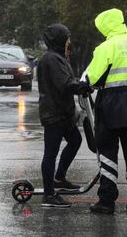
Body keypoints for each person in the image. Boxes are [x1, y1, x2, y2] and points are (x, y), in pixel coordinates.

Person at [86, 9, 127, 214]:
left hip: (111, 104)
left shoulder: (106, 47)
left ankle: (106, 201)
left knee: (107, 152)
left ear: (106, 26)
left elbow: (93, 78)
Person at [37, 24, 93, 208]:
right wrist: (82, 86)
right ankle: (49, 195)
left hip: (63, 113)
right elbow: (64, 84)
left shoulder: (58, 57)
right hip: (54, 114)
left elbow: (67, 81)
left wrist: (81, 84)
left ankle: (59, 179)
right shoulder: (52, 59)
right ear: (59, 39)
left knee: (75, 140)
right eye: (67, 38)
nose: (69, 42)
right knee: (50, 154)